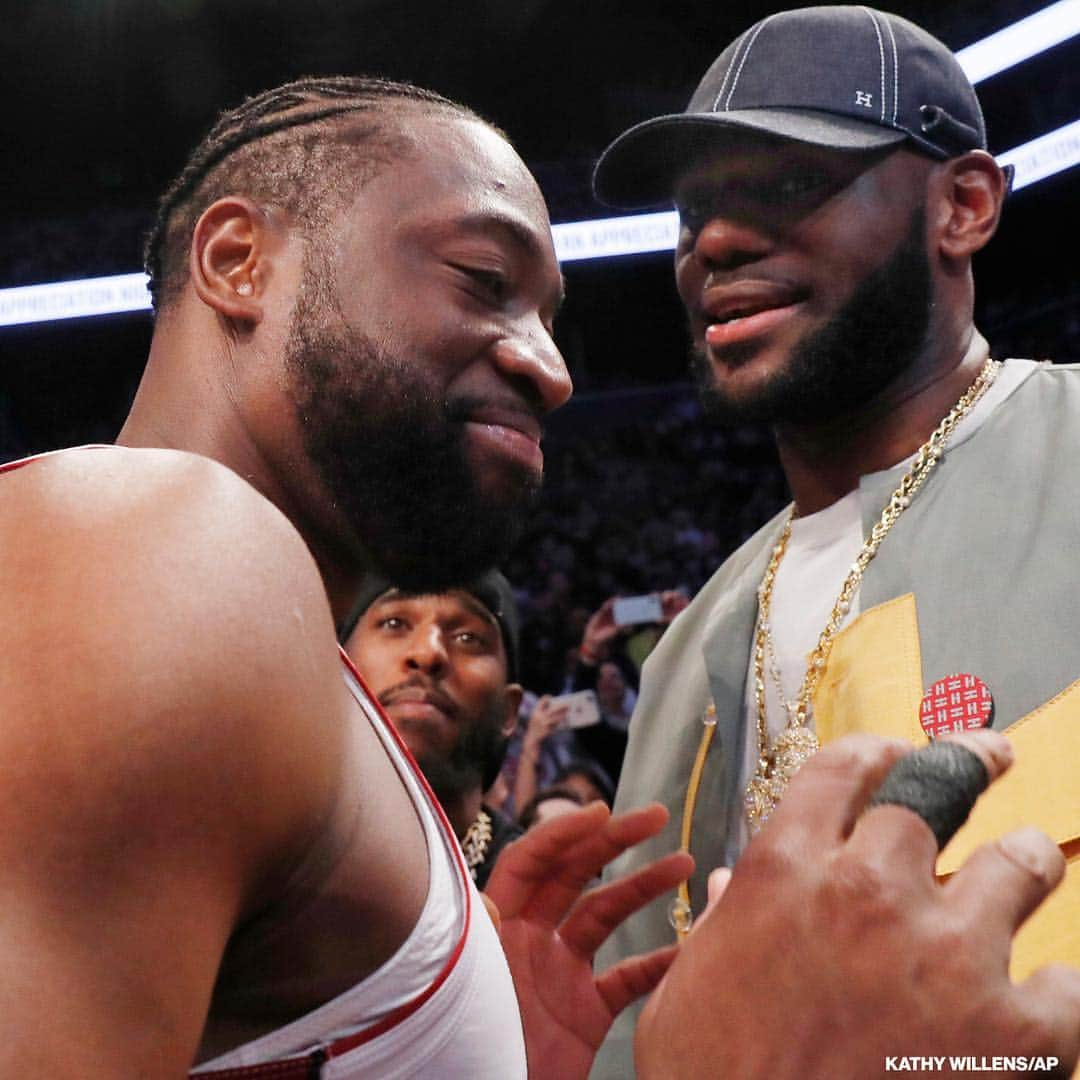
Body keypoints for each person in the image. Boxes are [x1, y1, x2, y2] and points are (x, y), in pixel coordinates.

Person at [1, 71, 1076, 1080]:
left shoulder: (265, 659)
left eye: (553, 317)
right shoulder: (160, 536)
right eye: (484, 280)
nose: (553, 371)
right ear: (240, 262)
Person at [589, 6, 1080, 1075]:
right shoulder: (682, 656)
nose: (713, 241)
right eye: (695, 210)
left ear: (963, 205)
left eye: (789, 183)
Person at [343, 571, 526, 888]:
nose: (428, 652)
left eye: (468, 638)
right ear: (336, 668)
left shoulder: (560, 912)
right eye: (395, 623)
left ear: (509, 712)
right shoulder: (251, 866)